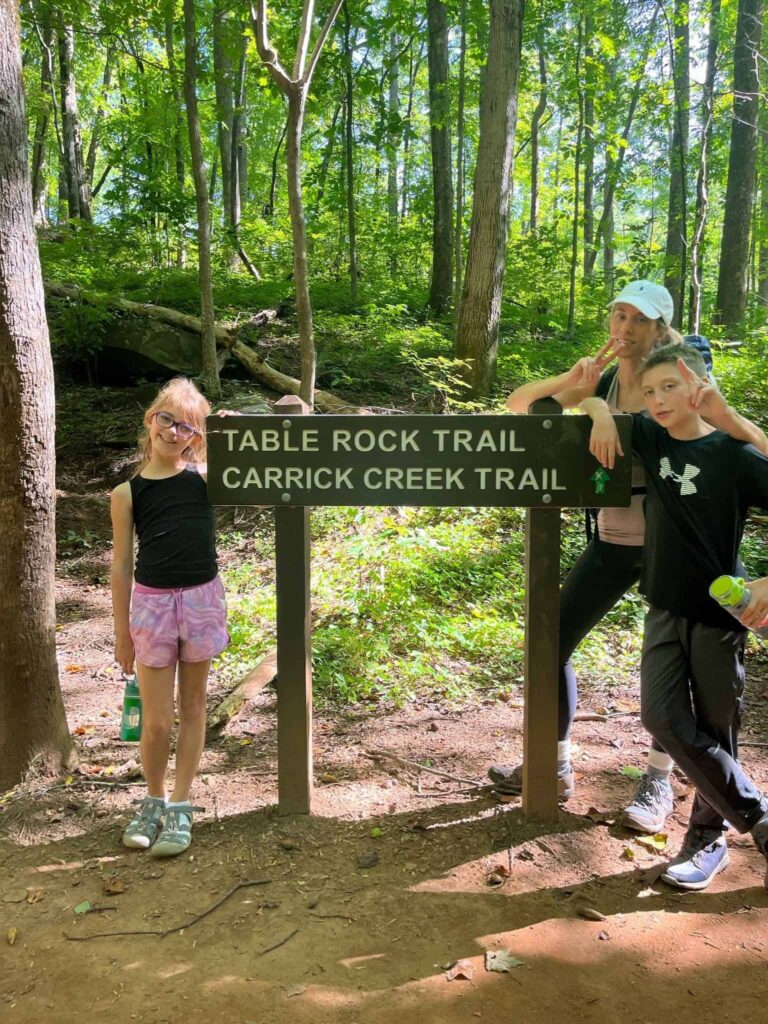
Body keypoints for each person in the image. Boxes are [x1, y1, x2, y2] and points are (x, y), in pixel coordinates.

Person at [489, 280, 768, 833]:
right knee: (550, 639)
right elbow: (521, 405)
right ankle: (554, 762)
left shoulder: (685, 366)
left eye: (637, 319)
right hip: (616, 540)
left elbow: (727, 440)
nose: (623, 328)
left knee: (687, 680)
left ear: (660, 327)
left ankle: (659, 779)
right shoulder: (613, 376)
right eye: (618, 315)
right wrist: (587, 396)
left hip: (685, 546)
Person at [582, 343, 768, 889]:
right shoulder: (651, 436)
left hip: (719, 618)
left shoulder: (734, 454)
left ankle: (707, 842)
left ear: (698, 387)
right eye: (649, 390)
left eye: (671, 387)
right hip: (662, 606)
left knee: (716, 728)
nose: (658, 399)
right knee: (660, 715)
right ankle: (757, 818)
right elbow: (592, 408)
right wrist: (597, 409)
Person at [111, 378, 230, 858]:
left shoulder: (205, 479)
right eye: (167, 419)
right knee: (157, 721)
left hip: (201, 598)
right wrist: (122, 632)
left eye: (186, 426)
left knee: (195, 707)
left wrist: (230, 433)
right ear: (150, 419)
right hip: (152, 606)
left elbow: (247, 464)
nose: (173, 431)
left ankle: (181, 805)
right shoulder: (126, 493)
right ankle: (153, 800)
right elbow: (121, 564)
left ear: (195, 436)